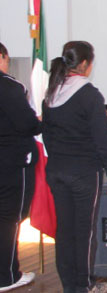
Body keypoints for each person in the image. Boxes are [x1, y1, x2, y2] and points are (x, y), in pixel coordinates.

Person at [42, 41, 107, 293]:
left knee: (64, 230)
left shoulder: (52, 92)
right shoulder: (89, 94)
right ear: (85, 64)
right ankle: (84, 285)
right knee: (84, 232)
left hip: (56, 170)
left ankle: (70, 286)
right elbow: (102, 138)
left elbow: (47, 136)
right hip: (83, 173)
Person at [0, 42, 40, 292]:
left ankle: (10, 271)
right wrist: (39, 122)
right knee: (10, 218)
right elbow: (26, 124)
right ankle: (7, 276)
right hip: (12, 162)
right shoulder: (10, 87)